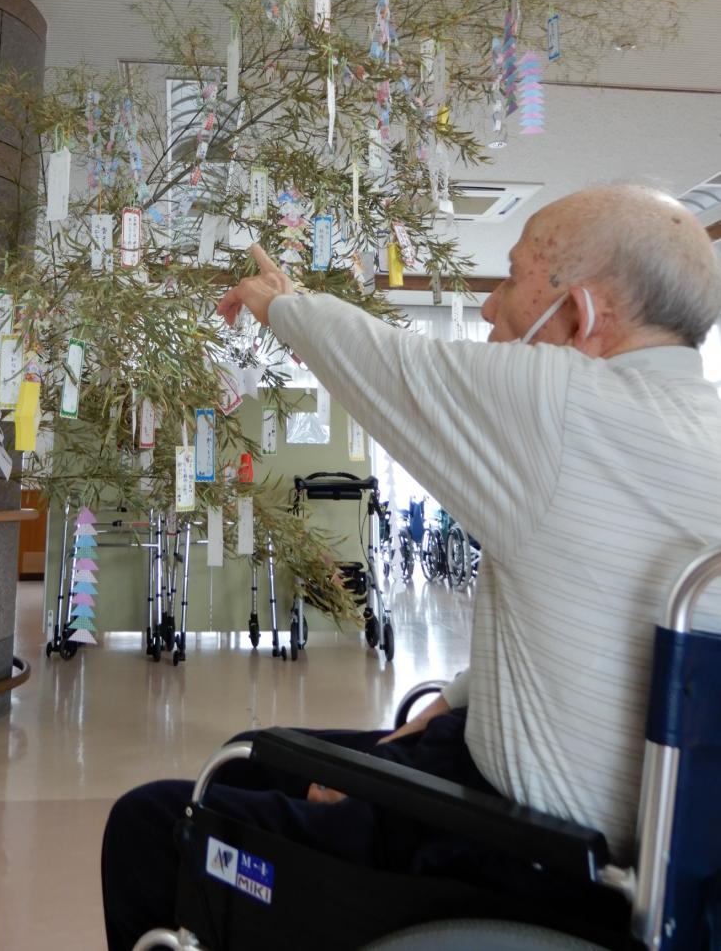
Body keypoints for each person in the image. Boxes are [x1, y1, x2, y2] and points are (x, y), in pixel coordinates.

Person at [101, 184, 721, 949]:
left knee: (155, 820)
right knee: (260, 761)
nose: (490, 305)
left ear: (580, 314)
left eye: (512, 276)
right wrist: (452, 702)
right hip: (628, 854)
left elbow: (393, 366)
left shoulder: (564, 403)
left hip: (520, 850)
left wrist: (279, 303)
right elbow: (590, 629)